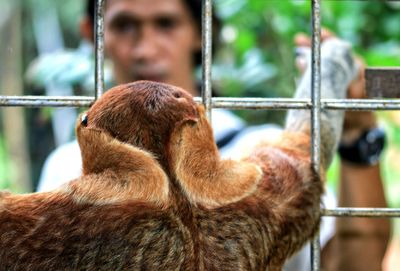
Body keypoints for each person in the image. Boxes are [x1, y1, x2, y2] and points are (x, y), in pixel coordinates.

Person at [37, 0, 390, 270]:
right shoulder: (66, 166)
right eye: (125, 25)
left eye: (166, 24)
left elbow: (356, 264)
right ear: (93, 34)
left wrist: (356, 136)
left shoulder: (257, 149)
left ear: (201, 30)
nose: (145, 49)